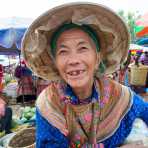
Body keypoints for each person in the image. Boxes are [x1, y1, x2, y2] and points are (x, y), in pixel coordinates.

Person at [22, 3, 148, 148]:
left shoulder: (120, 96)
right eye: (63, 51)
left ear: (97, 58)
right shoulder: (48, 105)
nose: (74, 60)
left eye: (82, 48)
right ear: (55, 61)